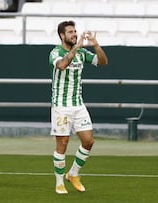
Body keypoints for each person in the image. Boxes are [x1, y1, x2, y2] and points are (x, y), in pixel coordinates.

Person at [49, 21, 108, 194]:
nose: (75, 34)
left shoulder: (82, 53)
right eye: (70, 32)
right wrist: (77, 48)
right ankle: (59, 183)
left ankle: (73, 174)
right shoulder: (55, 52)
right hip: (61, 105)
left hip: (78, 104)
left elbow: (103, 62)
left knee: (89, 141)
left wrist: (95, 45)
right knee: (63, 143)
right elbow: (61, 65)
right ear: (62, 35)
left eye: (75, 31)